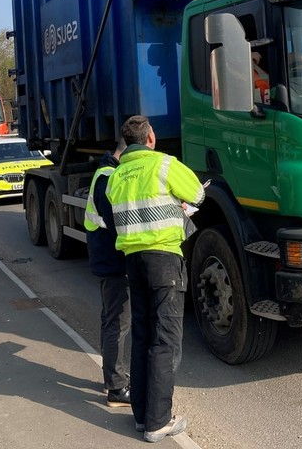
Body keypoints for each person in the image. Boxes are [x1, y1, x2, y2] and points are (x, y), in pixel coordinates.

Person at [105, 115, 206, 443]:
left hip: (133, 262)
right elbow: (196, 194)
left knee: (143, 335)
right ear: (150, 138)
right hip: (164, 260)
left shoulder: (116, 176)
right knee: (165, 342)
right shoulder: (164, 164)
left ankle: (141, 416)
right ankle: (158, 422)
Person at [83, 139, 130, 408]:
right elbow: (118, 226)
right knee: (118, 323)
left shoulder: (105, 172)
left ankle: (114, 376)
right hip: (112, 260)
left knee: (111, 321)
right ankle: (116, 388)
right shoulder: (109, 177)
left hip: (105, 257)